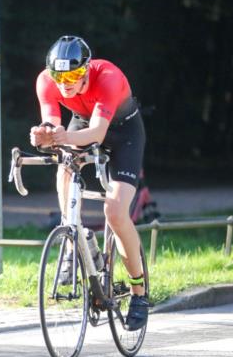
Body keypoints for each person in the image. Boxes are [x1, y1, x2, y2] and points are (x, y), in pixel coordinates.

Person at [29, 36, 152, 330]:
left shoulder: (108, 76)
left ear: (86, 70)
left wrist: (61, 137)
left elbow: (97, 133)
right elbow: (52, 123)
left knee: (115, 212)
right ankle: (76, 237)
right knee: (65, 167)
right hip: (83, 121)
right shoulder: (45, 81)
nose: (65, 83)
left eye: (73, 76)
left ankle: (139, 292)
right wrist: (43, 135)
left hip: (124, 134)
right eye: (59, 77)